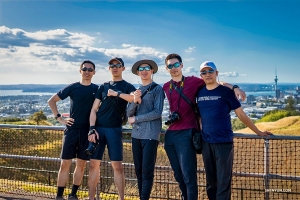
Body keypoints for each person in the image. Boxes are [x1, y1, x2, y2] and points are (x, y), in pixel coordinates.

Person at [162, 53, 246, 200]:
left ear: (182, 65)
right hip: (171, 133)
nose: (174, 68)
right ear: (166, 68)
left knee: (189, 175)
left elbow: (215, 82)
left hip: (188, 131)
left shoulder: (194, 81)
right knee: (178, 175)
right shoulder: (165, 86)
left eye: (176, 65)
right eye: (170, 66)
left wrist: (235, 88)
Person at [197, 61, 272, 200]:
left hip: (223, 143)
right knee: (211, 183)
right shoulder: (199, 91)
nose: (207, 74)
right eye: (204, 72)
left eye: (210, 71)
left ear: (216, 73)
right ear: (201, 75)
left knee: (223, 183)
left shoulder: (226, 92)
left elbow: (241, 115)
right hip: (206, 143)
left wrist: (258, 132)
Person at [47, 60, 98, 200]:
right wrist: (60, 118)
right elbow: (51, 101)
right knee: (65, 164)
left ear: (94, 72)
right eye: (84, 69)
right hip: (71, 130)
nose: (87, 71)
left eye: (90, 69)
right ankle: (59, 196)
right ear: (80, 71)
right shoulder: (73, 87)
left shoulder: (97, 89)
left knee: (81, 164)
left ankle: (73, 195)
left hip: (87, 132)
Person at [87, 57, 136, 200]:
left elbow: (135, 98)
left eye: (118, 65)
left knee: (118, 166)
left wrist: (118, 94)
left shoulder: (127, 86)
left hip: (115, 129)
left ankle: (121, 198)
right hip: (98, 129)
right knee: (93, 165)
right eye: (112, 65)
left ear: (123, 68)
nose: (114, 67)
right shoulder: (103, 86)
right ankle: (92, 198)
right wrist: (91, 128)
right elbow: (94, 109)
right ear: (109, 68)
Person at [127, 60, 165, 200]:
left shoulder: (157, 89)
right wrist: (134, 100)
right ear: (138, 72)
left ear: (152, 71)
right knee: (138, 171)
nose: (144, 71)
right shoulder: (137, 91)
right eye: (141, 69)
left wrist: (136, 119)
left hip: (150, 135)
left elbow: (157, 112)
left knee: (147, 171)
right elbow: (128, 114)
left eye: (147, 68)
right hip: (136, 135)